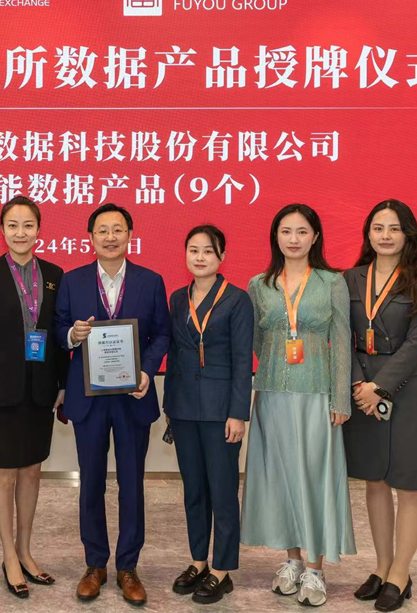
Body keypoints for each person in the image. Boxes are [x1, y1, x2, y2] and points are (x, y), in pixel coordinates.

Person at [54, 202, 171, 607]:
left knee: (131, 483)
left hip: (132, 395)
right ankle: (94, 565)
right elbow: (58, 328)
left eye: (117, 229)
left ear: (129, 235)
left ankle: (128, 567)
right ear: (90, 237)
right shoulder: (72, 280)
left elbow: (161, 334)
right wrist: (72, 334)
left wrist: (147, 370)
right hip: (88, 397)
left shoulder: (150, 281)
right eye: (102, 230)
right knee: (90, 481)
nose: (110, 237)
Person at [241, 203, 356, 607]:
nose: (293, 239)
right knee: (283, 478)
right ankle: (292, 560)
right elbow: (256, 342)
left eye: (302, 231)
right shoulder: (259, 285)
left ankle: (316, 568)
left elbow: (342, 341)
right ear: (275, 236)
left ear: (315, 237)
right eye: (286, 231)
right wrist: (275, 365)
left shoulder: (331, 282)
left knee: (314, 477)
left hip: (317, 394)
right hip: (271, 394)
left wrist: (340, 397)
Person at [0, 196, 70, 598]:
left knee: (32, 470)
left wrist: (62, 383)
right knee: (5, 471)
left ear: (39, 230)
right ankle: (8, 555)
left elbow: (59, 334)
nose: (20, 232)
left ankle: (26, 550)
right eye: (12, 225)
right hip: (2, 389)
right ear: (2, 230)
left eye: (28, 225)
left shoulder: (54, 274)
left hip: (41, 389)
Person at [344, 200, 417, 612]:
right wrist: (358, 385)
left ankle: (401, 573)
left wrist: (380, 387)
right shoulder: (350, 279)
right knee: (375, 481)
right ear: (368, 234)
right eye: (378, 227)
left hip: (404, 391)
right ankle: (382, 567)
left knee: (409, 483)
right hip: (360, 388)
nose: (385, 235)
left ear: (408, 235)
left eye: (394, 228)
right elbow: (341, 336)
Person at [164, 225, 253, 605]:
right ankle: (198, 561)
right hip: (184, 408)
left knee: (222, 491)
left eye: (208, 251)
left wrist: (238, 413)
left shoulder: (237, 300)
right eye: (193, 250)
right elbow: (173, 355)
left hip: (221, 412)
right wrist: (169, 407)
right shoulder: (177, 299)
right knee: (194, 490)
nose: (200, 257)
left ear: (222, 257)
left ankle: (222, 569)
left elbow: (242, 361)